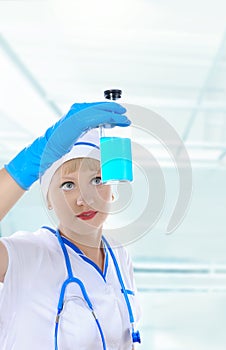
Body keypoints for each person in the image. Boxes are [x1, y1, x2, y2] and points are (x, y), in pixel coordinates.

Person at [0, 102, 141, 349]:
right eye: (68, 185)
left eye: (97, 180)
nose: (84, 198)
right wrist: (29, 162)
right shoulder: (27, 255)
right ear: (48, 200)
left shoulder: (119, 256)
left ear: (113, 190)